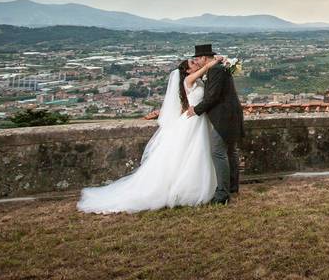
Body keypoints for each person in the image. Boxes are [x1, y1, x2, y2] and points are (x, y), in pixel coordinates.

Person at [76, 53, 222, 213]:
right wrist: (214, 62)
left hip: (197, 120)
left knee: (198, 154)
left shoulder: (196, 80)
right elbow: (205, 69)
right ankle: (185, 192)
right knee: (192, 154)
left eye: (195, 61)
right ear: (187, 71)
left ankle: (198, 187)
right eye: (192, 63)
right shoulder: (189, 80)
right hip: (193, 122)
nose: (196, 63)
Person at [183, 43, 245, 204]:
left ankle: (222, 194)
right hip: (230, 114)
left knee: (218, 153)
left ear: (204, 57)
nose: (197, 62)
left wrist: (195, 110)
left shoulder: (216, 70)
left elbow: (213, 97)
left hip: (223, 117)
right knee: (230, 151)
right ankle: (232, 187)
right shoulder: (217, 68)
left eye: (197, 58)